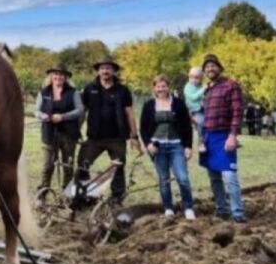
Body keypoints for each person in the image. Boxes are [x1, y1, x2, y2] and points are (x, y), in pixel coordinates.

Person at [73, 56, 138, 208]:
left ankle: (116, 198)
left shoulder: (123, 90)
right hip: (94, 138)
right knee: (82, 164)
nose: (105, 71)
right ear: (98, 71)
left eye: (108, 68)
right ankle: (82, 196)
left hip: (117, 138)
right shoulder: (90, 88)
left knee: (118, 167)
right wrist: (76, 131)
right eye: (102, 68)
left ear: (114, 70)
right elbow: (82, 112)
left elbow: (129, 113)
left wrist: (134, 136)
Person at [198, 53, 246, 222]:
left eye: (213, 65)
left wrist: (232, 136)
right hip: (209, 137)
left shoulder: (231, 85)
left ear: (219, 68)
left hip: (224, 136)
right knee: (214, 178)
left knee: (230, 177)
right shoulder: (207, 90)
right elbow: (203, 117)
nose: (210, 69)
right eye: (207, 67)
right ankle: (221, 210)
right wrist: (201, 139)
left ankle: (238, 214)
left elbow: (237, 112)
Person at [139, 74, 195, 220]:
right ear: (154, 88)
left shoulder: (178, 103)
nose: (161, 89)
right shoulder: (149, 105)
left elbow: (187, 127)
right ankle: (168, 208)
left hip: (176, 145)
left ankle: (188, 207)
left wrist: (188, 146)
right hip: (158, 147)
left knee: (182, 177)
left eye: (164, 86)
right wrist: (148, 144)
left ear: (168, 87)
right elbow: (143, 128)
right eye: (158, 86)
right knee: (164, 179)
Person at [34, 65, 82, 199]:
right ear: (51, 76)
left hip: (69, 135)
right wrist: (42, 116)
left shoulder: (73, 92)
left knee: (68, 166)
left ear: (65, 77)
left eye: (61, 74)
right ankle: (42, 195)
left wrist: (63, 117)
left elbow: (79, 110)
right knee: (48, 166)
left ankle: (67, 195)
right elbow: (36, 110)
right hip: (49, 134)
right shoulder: (43, 92)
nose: (58, 77)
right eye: (55, 74)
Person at [183, 66, 206, 151]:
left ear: (201, 78)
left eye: (196, 78)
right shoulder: (187, 87)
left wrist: (204, 99)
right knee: (201, 122)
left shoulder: (200, 86)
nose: (193, 80)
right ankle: (201, 142)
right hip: (194, 111)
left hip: (203, 109)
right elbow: (193, 97)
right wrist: (203, 90)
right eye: (191, 77)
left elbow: (203, 97)